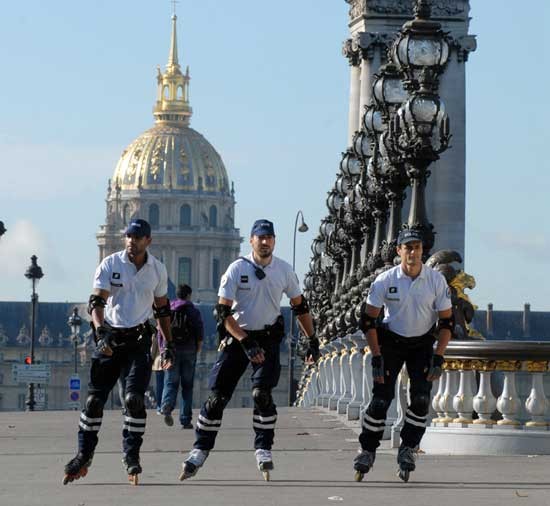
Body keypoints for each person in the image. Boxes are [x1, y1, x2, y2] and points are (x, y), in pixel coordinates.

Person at [179, 219, 319, 481]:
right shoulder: (236, 269)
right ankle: (200, 448)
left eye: (269, 238)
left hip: (267, 338)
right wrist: (244, 340)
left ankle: (263, 447)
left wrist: (312, 338)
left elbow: (300, 307)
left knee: (261, 393)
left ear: (274, 241)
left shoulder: (284, 271)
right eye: (260, 238)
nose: (265, 242)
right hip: (238, 337)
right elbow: (222, 312)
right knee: (217, 397)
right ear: (251, 241)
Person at [62, 219, 176, 486]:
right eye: (128, 236)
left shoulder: (157, 270)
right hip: (111, 338)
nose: (131, 241)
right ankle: (83, 454)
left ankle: (131, 455)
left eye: (137, 237)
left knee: (134, 399)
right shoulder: (110, 264)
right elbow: (97, 302)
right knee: (93, 402)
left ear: (148, 240)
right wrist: (100, 330)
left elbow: (162, 310)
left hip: (138, 342)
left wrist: (167, 343)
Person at [353, 228, 453, 483]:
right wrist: (376, 356)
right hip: (391, 342)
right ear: (399, 251)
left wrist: (438, 357)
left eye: (417, 247)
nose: (413, 252)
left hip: (421, 343)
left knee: (420, 398)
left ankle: (408, 448)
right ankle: (367, 449)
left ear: (423, 251)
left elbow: (447, 323)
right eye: (408, 247)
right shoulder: (385, 280)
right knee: (381, 400)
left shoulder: (435, 281)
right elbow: (368, 321)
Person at [160, 283, 204, 429]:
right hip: (189, 350)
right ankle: (185, 419)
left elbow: (162, 330)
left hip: (172, 350)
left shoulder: (169, 310)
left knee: (170, 383)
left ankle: (166, 405)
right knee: (187, 386)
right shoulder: (193, 310)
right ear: (189, 295)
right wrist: (198, 347)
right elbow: (199, 330)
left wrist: (163, 350)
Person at [151, 328, 165, 415]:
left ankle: (159, 406)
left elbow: (153, 349)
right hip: (169, 361)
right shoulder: (170, 328)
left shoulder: (156, 331)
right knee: (168, 385)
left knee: (160, 386)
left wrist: (151, 359)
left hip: (159, 362)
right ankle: (166, 405)